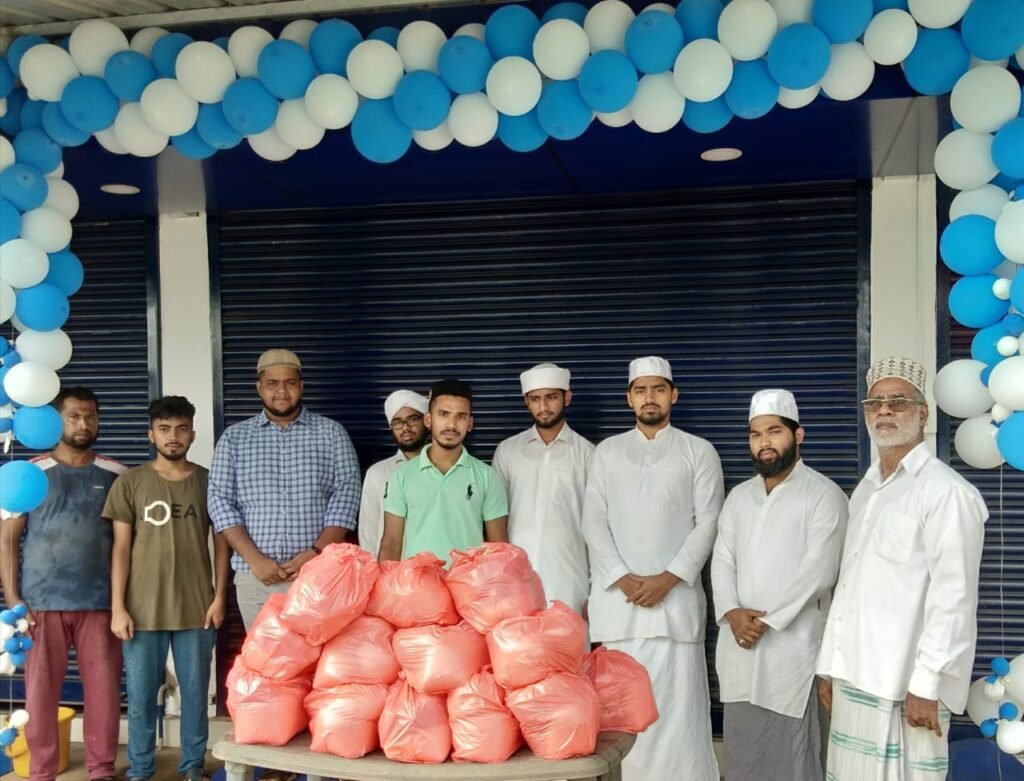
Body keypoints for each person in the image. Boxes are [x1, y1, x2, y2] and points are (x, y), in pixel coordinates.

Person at [816, 356, 987, 780]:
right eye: (875, 403)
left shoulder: (946, 493)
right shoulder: (867, 489)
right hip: (855, 677)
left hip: (907, 686)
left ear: (923, 413)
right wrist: (830, 668)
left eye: (898, 402)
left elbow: (954, 598)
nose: (885, 411)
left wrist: (927, 684)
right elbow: (851, 587)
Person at [583, 356, 722, 781]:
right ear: (629, 398)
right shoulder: (606, 453)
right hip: (618, 610)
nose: (650, 398)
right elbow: (593, 521)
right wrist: (621, 578)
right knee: (622, 718)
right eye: (641, 390)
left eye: (658, 389)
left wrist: (668, 578)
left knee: (678, 719)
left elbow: (709, 522)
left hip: (674, 611)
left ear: (673, 395)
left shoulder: (699, 451)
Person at [711, 389, 849, 781]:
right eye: (756, 434)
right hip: (740, 646)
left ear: (798, 435)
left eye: (774, 431)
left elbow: (819, 572)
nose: (765, 442)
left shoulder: (824, 495)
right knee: (744, 753)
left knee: (796, 757)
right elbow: (722, 560)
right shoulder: (739, 497)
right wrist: (732, 612)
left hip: (794, 648)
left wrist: (765, 622)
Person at [0, 387, 125, 781]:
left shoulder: (117, 475)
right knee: (40, 693)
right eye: (73, 416)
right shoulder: (30, 474)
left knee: (104, 691)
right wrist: (15, 598)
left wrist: (123, 602)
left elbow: (128, 544)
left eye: (90, 416)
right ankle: (41, 771)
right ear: (56, 421)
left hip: (101, 603)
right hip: (41, 604)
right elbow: (7, 540)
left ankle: (101, 769)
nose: (83, 424)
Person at [104, 396, 230, 781]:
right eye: (164, 429)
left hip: (197, 608)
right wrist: (118, 607)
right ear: (151, 434)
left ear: (192, 433)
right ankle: (140, 768)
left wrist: (220, 597)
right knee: (141, 698)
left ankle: (192, 766)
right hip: (141, 610)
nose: (173, 436)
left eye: (181, 429)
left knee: (195, 695)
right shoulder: (130, 482)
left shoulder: (209, 481)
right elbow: (120, 549)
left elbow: (223, 543)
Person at [208, 349, 361, 628]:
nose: (281, 391)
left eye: (290, 382)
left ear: (301, 386)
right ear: (259, 388)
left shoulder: (331, 433)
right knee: (264, 654)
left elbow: (347, 495)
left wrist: (315, 554)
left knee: (316, 653)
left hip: (316, 576)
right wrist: (255, 560)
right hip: (256, 578)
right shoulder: (234, 439)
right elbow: (220, 502)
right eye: (272, 383)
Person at [492, 362, 594, 615]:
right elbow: (495, 519)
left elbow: (598, 524)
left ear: (567, 397)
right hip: (515, 579)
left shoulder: (588, 454)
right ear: (526, 402)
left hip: (570, 579)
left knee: (568, 639)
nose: (544, 407)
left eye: (551, 397)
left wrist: (596, 588)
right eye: (535, 399)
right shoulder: (508, 451)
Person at [379, 379, 508, 564]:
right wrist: (388, 580)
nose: (451, 425)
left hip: (467, 582)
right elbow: (391, 542)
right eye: (443, 414)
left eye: (461, 416)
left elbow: (499, 547)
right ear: (428, 419)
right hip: (417, 581)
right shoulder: (401, 476)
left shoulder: (487, 477)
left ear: (470, 423)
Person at [357, 389, 429, 556]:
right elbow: (368, 533)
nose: (406, 428)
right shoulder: (377, 473)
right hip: (392, 569)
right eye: (397, 422)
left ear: (426, 421)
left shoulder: (443, 470)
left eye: (412, 419)